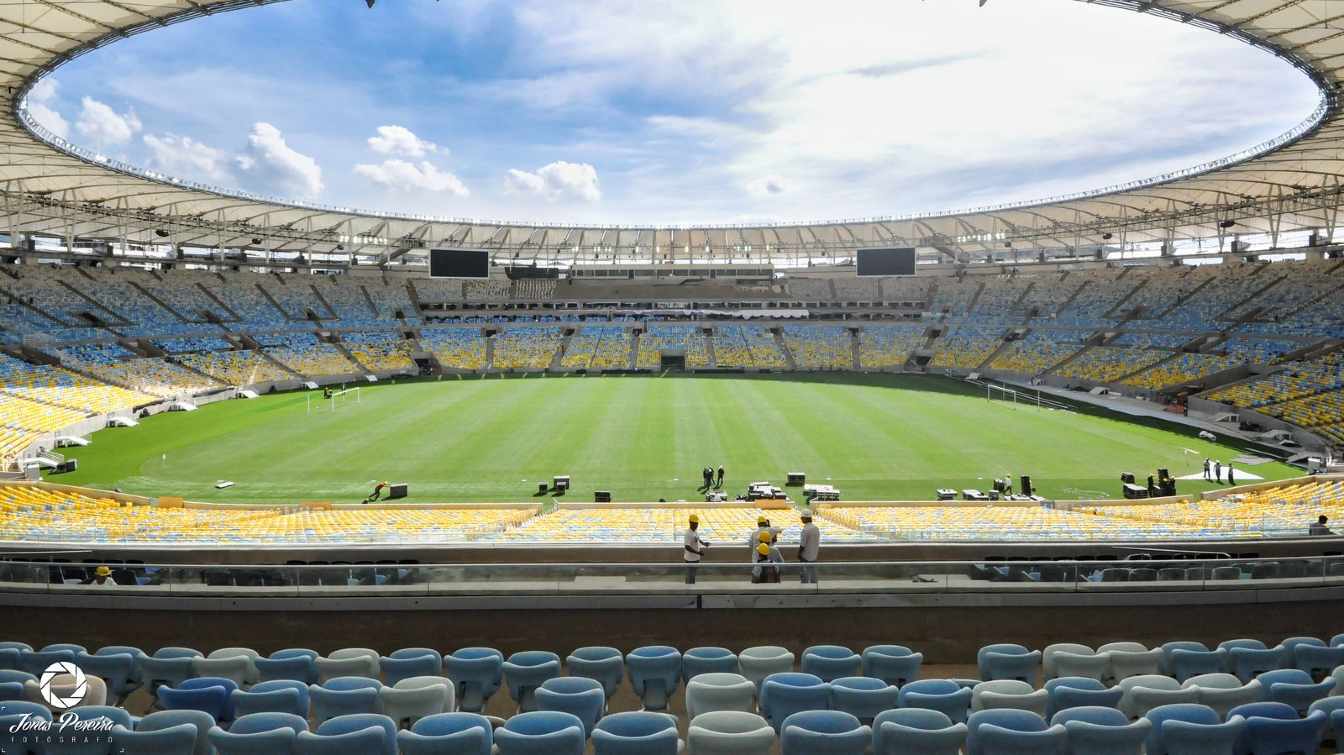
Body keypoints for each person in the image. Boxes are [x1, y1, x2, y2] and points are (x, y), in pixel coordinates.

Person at [683, 514, 710, 584]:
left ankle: (692, 587)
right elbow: (687, 547)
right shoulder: (688, 533)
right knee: (689, 575)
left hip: (696, 558)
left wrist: (704, 543)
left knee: (693, 574)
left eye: (697, 523)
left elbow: (697, 539)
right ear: (690, 523)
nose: (696, 525)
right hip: (690, 559)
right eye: (694, 523)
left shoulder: (695, 531)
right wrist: (698, 553)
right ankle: (688, 589)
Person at [798, 511, 820, 584]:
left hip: (805, 556)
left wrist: (799, 554)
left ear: (805, 518)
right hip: (814, 555)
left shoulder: (805, 530)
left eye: (802, 517)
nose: (801, 519)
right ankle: (814, 587)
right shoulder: (816, 528)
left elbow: (802, 545)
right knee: (813, 573)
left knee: (804, 573)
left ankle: (805, 587)